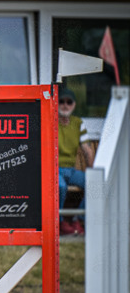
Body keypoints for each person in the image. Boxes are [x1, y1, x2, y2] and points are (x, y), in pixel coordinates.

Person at [57, 87, 93, 235]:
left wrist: (93, 172)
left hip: (71, 170)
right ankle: (58, 223)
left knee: (94, 183)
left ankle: (78, 218)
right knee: (61, 187)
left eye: (69, 102)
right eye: (61, 101)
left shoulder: (78, 123)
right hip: (54, 169)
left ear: (74, 105)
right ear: (56, 103)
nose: (65, 105)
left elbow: (87, 150)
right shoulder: (50, 120)